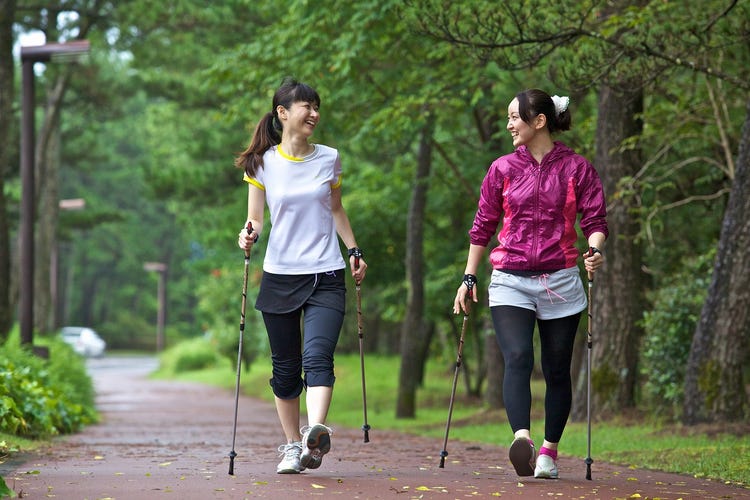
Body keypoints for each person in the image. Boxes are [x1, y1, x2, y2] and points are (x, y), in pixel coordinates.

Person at [453, 89, 608, 479]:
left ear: (539, 121)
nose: (508, 125)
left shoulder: (577, 168)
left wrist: (594, 249)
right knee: (519, 356)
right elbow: (483, 226)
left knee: (556, 370)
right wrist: (469, 276)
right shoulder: (502, 169)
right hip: (510, 279)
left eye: (514, 117)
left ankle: (548, 453)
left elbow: (595, 219)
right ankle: (522, 440)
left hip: (561, 281)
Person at [235, 78, 367, 474]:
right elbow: (256, 219)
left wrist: (353, 250)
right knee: (286, 367)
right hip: (280, 275)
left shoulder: (329, 158)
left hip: (326, 271)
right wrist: (248, 234)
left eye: (316, 106)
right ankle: (293, 446)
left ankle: (315, 432)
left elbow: (336, 209)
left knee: (318, 356)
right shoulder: (263, 163)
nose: (314, 113)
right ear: (283, 113)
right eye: (306, 106)